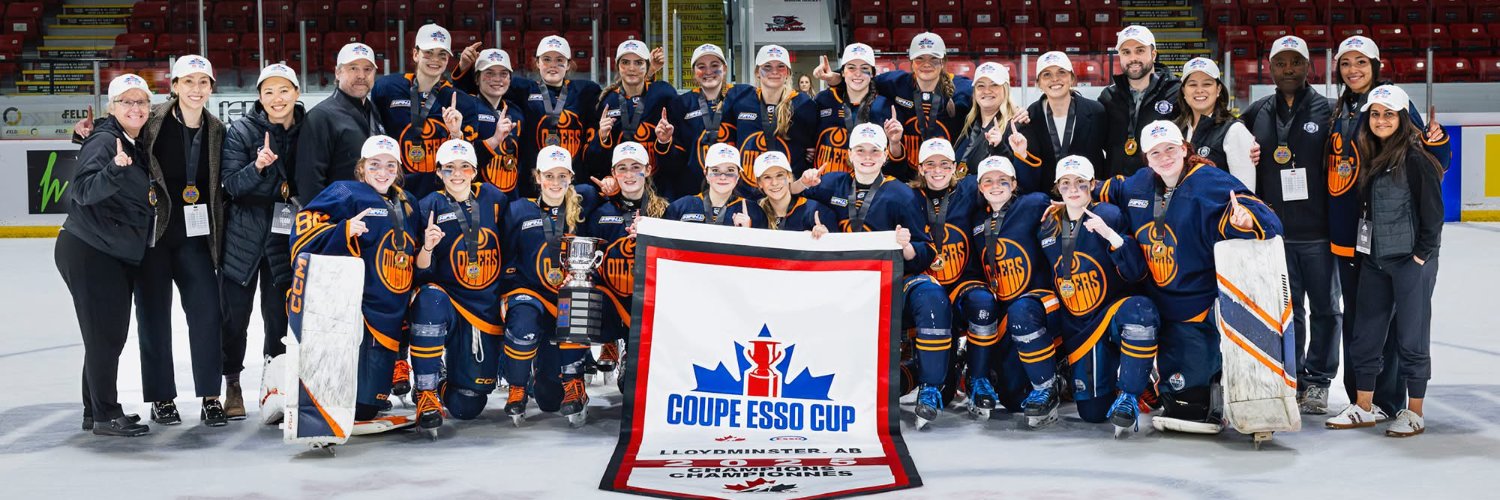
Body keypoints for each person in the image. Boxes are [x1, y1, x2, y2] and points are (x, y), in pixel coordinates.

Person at [1095, 121, 1283, 435]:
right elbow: (1106, 189)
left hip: (1192, 301)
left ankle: (1193, 396)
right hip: (1152, 295)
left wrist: (1247, 219)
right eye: (1156, 152)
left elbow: (1265, 217)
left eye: (1171, 148)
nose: (1164, 157)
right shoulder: (1139, 183)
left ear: (1184, 148)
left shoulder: (1210, 181)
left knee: (1190, 399)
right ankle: (1147, 385)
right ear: (1147, 157)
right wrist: (1071, 199)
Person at [791, 123, 950, 429]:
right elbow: (789, 196)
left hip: (890, 283)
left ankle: (930, 388)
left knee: (932, 298)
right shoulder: (832, 183)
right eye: (860, 150)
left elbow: (927, 251)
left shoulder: (903, 194)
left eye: (874, 151)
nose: (867, 156)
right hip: (844, 286)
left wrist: (906, 247)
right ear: (849, 154)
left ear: (884, 155)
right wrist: (802, 183)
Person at [1325, 35, 1451, 419]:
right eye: (1346, 63)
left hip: (1396, 241)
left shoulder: (1393, 102)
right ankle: (1360, 399)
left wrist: (1439, 142)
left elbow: (1431, 159)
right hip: (1355, 238)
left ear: (1376, 66)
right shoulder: (1337, 109)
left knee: (1399, 325)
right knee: (1363, 323)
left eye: (1361, 62)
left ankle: (1392, 399)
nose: (1353, 70)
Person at [1016, 156, 1159, 435]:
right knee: (1094, 413)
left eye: (1081, 183)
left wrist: (1113, 237)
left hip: (1110, 312)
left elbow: (1136, 272)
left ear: (1093, 184)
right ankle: (1052, 385)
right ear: (1057, 187)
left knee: (1140, 310)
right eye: (1066, 183)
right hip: (1077, 320)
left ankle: (1131, 392)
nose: (1073, 189)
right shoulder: (1048, 224)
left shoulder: (1109, 214)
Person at [1239, 36, 1339, 415]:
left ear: (1309, 66)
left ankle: (1318, 381)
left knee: (1327, 309)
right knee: (1288, 310)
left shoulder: (1329, 111)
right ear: (1270, 68)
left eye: (1295, 62)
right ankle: (1291, 375)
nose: (1288, 69)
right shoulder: (1256, 113)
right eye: (1280, 63)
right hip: (1276, 234)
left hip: (1319, 232)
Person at [290, 135, 422, 423]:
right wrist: (344, 230)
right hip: (359, 310)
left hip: (394, 306)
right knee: (363, 406)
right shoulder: (344, 191)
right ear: (362, 167)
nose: (383, 171)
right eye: (375, 164)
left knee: (369, 404)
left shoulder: (408, 201)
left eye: (390, 165)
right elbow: (304, 226)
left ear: (398, 169)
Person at [57, 73, 158, 437]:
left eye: (141, 102)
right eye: (126, 102)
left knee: (104, 336)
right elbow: (82, 191)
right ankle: (105, 414)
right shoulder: (106, 141)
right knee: (106, 337)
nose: (135, 107)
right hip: (91, 249)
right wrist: (114, 170)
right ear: (112, 107)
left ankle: (93, 410)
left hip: (108, 250)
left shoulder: (130, 140)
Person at [134, 54, 228, 427]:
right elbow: (117, 133)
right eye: (188, 81)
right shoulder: (151, 120)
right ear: (173, 86)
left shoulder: (217, 130)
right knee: (153, 317)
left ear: (211, 88)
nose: (195, 89)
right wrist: (84, 136)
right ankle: (161, 398)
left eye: (203, 82)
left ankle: (210, 396)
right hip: (155, 237)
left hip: (196, 238)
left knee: (206, 315)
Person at [218, 63, 304, 421]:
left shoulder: (308, 129)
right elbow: (230, 185)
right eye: (268, 92)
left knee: (278, 319)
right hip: (243, 235)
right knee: (234, 318)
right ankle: (233, 385)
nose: (276, 98)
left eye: (284, 90)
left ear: (296, 93)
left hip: (284, 238)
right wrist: (258, 168)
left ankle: (275, 388)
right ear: (259, 96)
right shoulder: (241, 130)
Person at [408, 139, 511, 435]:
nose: (457, 174)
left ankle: (444, 380)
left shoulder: (494, 198)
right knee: (428, 299)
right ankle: (426, 389)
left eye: (464, 167)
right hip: (448, 302)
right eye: (449, 168)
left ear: (475, 170)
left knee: (467, 407)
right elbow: (420, 271)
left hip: (483, 307)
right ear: (438, 172)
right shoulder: (428, 205)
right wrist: (426, 248)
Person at [499, 146, 603, 426]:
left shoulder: (583, 205)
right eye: (549, 176)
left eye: (562, 176)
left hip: (567, 294)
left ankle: (573, 382)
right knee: (521, 324)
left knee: (548, 400)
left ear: (571, 177)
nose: (555, 183)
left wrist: (613, 187)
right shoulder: (519, 209)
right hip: (530, 291)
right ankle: (517, 387)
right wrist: (508, 290)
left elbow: (603, 197)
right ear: (537, 177)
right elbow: (508, 255)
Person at [816, 32, 973, 181]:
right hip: (907, 176)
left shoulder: (963, 87)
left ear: (943, 62)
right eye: (920, 59)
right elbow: (862, 78)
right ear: (911, 62)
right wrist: (835, 78)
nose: (926, 64)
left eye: (933, 59)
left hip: (942, 176)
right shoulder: (896, 83)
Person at [371, 24, 497, 198]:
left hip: (440, 195)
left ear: (448, 60)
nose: (435, 60)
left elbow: (471, 158)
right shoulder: (387, 88)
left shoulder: (462, 102)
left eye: (442, 55)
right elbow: (374, 135)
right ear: (415, 54)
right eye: (428, 53)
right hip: (394, 190)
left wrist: (456, 134)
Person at [582, 141, 671, 381]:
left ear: (648, 170)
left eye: (635, 167)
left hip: (647, 296)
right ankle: (607, 340)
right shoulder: (601, 212)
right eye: (622, 168)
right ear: (613, 173)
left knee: (629, 385)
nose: (629, 174)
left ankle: (631, 355)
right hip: (612, 293)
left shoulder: (664, 211)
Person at [503, 35, 603, 196]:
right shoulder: (523, 89)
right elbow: (484, 86)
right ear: (537, 63)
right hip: (534, 181)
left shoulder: (585, 91)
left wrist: (648, 74)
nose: (553, 65)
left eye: (559, 60)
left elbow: (623, 94)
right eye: (547, 60)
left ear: (569, 64)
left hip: (572, 179)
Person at [657, 43, 750, 200]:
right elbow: (674, 163)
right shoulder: (681, 104)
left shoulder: (743, 96)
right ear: (694, 72)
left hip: (736, 191)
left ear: (725, 68)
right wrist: (664, 141)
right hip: (694, 193)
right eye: (701, 66)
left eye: (715, 65)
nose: (708, 71)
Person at [1008, 51, 1108, 194]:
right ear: (1038, 83)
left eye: (1061, 72)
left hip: (1088, 198)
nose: (1055, 79)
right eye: (1046, 74)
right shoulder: (1031, 117)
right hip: (1047, 201)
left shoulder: (1096, 111)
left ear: (1072, 78)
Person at [297, 42, 384, 201]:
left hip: (373, 212)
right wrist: (328, 221)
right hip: (340, 217)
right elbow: (309, 181)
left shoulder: (374, 112)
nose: (361, 76)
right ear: (338, 72)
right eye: (353, 68)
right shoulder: (320, 116)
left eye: (367, 69)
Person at [1097, 25, 1182, 178]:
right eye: (1126, 52)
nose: (1133, 58)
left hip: (1161, 187)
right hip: (1118, 189)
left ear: (1154, 54)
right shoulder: (1108, 97)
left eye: (1140, 50)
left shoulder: (1176, 92)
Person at [808, 44, 903, 176]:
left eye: (864, 68)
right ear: (842, 72)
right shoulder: (824, 100)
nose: (857, 73)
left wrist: (895, 142)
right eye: (851, 68)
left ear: (873, 73)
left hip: (866, 187)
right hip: (825, 185)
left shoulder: (884, 107)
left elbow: (895, 160)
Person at [586, 40, 676, 178]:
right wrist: (602, 137)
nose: (632, 68)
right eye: (625, 62)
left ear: (647, 65)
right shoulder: (607, 101)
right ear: (617, 66)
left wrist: (664, 141)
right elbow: (593, 161)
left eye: (638, 63)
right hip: (621, 182)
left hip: (658, 182)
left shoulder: (663, 93)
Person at [732, 44, 817, 188]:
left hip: (787, 193)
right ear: (757, 72)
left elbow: (814, 142)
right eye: (767, 67)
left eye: (780, 66)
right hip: (748, 192)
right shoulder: (742, 100)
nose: (774, 72)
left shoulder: (802, 104)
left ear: (788, 73)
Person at [1172, 57, 1256, 188]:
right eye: (1192, 84)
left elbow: (1245, 190)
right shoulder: (1175, 130)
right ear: (1183, 91)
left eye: (1207, 84)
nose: (1199, 90)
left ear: (1218, 90)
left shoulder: (1234, 130)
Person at [451, 47, 524, 194]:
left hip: (510, 195)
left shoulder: (517, 112)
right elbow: (462, 155)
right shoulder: (466, 107)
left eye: (503, 74)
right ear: (477, 79)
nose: (497, 79)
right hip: (478, 195)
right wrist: (495, 140)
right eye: (489, 73)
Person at [664, 144, 769, 228]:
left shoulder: (754, 212)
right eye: (715, 171)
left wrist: (748, 233)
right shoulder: (681, 207)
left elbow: (762, 253)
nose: (723, 177)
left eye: (730, 171)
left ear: (738, 176)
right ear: (706, 174)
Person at [954, 62, 1021, 171]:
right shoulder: (968, 123)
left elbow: (1020, 176)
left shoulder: (1016, 126)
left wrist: (1000, 148)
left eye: (994, 84)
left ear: (1006, 89)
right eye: (980, 85)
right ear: (974, 92)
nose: (987, 90)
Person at [754, 149, 836, 234]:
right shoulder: (754, 214)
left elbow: (837, 244)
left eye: (779, 175)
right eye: (767, 177)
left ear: (789, 177)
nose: (774, 183)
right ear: (759, 183)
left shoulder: (816, 212)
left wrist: (825, 239)